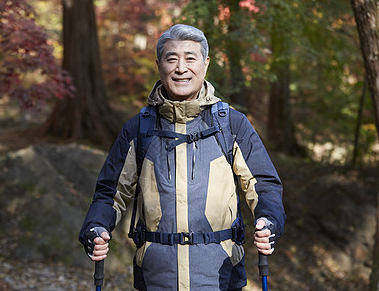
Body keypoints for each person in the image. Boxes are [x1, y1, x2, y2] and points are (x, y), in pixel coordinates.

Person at [79, 24, 286, 291]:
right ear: (159, 65)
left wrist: (268, 220)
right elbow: (109, 193)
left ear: (205, 63)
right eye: (171, 58)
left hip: (220, 278)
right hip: (155, 278)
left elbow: (264, 185)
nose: (181, 68)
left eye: (190, 58)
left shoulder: (232, 125)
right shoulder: (138, 129)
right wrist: (95, 227)